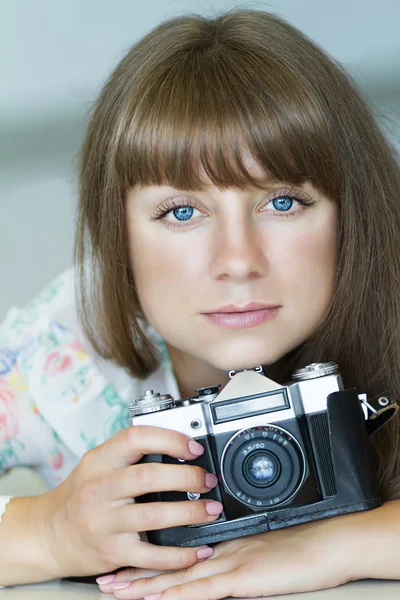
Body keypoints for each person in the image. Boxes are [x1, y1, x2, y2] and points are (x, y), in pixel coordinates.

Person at [1, 7, 400, 599]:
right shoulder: (66, 349)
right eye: (182, 212)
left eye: (283, 203)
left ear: (350, 216)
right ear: (120, 238)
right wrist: (49, 531)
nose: (238, 259)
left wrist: (345, 544)